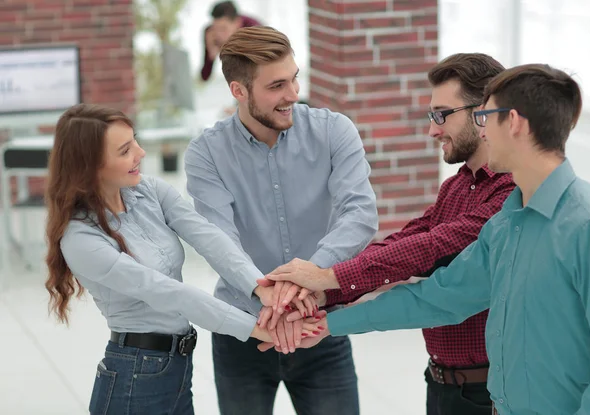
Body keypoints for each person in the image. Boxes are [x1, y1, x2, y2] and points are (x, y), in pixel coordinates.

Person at [276, 64, 590, 415]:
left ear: (514, 123)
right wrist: (327, 324)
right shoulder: (505, 225)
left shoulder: (587, 226)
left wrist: (328, 280)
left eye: (486, 118)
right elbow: (438, 299)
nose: (483, 131)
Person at [264, 53, 515, 415]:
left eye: (442, 115)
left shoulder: (509, 194)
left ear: (483, 113)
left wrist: (329, 279)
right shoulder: (458, 187)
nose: (433, 129)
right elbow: (409, 238)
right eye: (432, 116)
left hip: (486, 394)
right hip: (443, 384)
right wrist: (321, 290)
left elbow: (431, 248)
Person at [44, 103, 321, 415]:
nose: (140, 153)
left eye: (135, 140)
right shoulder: (82, 239)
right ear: (90, 166)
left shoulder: (149, 192)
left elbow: (208, 237)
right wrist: (258, 328)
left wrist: (261, 288)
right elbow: (168, 292)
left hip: (175, 366)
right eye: (125, 151)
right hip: (134, 377)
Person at [184, 26, 378, 415]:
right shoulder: (206, 154)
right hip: (243, 333)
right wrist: (264, 295)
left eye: (294, 79)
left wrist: (307, 279)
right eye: (276, 85)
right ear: (239, 91)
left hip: (321, 326)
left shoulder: (333, 131)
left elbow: (360, 214)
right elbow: (219, 240)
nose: (292, 94)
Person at [200, 1, 261, 81]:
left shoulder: (255, 29)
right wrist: (211, 54)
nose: (218, 34)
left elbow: (256, 72)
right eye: (215, 28)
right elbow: (205, 76)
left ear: (237, 23)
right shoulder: (211, 33)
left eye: (223, 29)